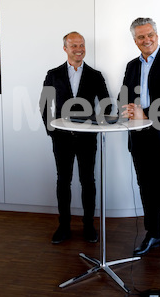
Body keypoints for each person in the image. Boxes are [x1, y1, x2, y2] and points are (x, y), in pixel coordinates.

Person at [120, 17, 160, 256]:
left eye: (150, 35)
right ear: (135, 40)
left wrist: (145, 112)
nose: (146, 40)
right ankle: (152, 234)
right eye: (140, 37)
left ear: (156, 36)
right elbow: (123, 95)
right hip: (138, 135)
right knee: (144, 185)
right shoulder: (131, 65)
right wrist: (124, 108)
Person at [40, 31, 111, 244]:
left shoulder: (95, 75)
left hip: (88, 138)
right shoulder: (53, 74)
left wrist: (99, 125)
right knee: (63, 181)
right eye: (74, 45)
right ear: (65, 49)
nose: (79, 49)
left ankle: (89, 225)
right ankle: (64, 226)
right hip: (61, 138)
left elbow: (106, 104)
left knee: (88, 181)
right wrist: (51, 131)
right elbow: (44, 104)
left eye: (81, 45)